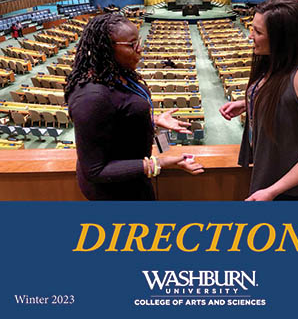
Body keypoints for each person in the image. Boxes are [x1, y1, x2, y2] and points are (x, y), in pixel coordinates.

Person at [65, 14, 203, 201]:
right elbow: (95, 170)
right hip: (114, 194)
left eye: (138, 41)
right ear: (106, 47)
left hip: (134, 178)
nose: (140, 49)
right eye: (132, 45)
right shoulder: (91, 97)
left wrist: (151, 119)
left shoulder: (116, 73)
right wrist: (159, 163)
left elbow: (115, 116)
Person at [219, 0, 298, 201]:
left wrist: (272, 191)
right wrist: (249, 103)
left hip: (288, 191)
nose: (250, 36)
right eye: (252, 28)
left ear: (282, 38)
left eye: (258, 32)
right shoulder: (275, 61)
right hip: (268, 173)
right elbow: (284, 98)